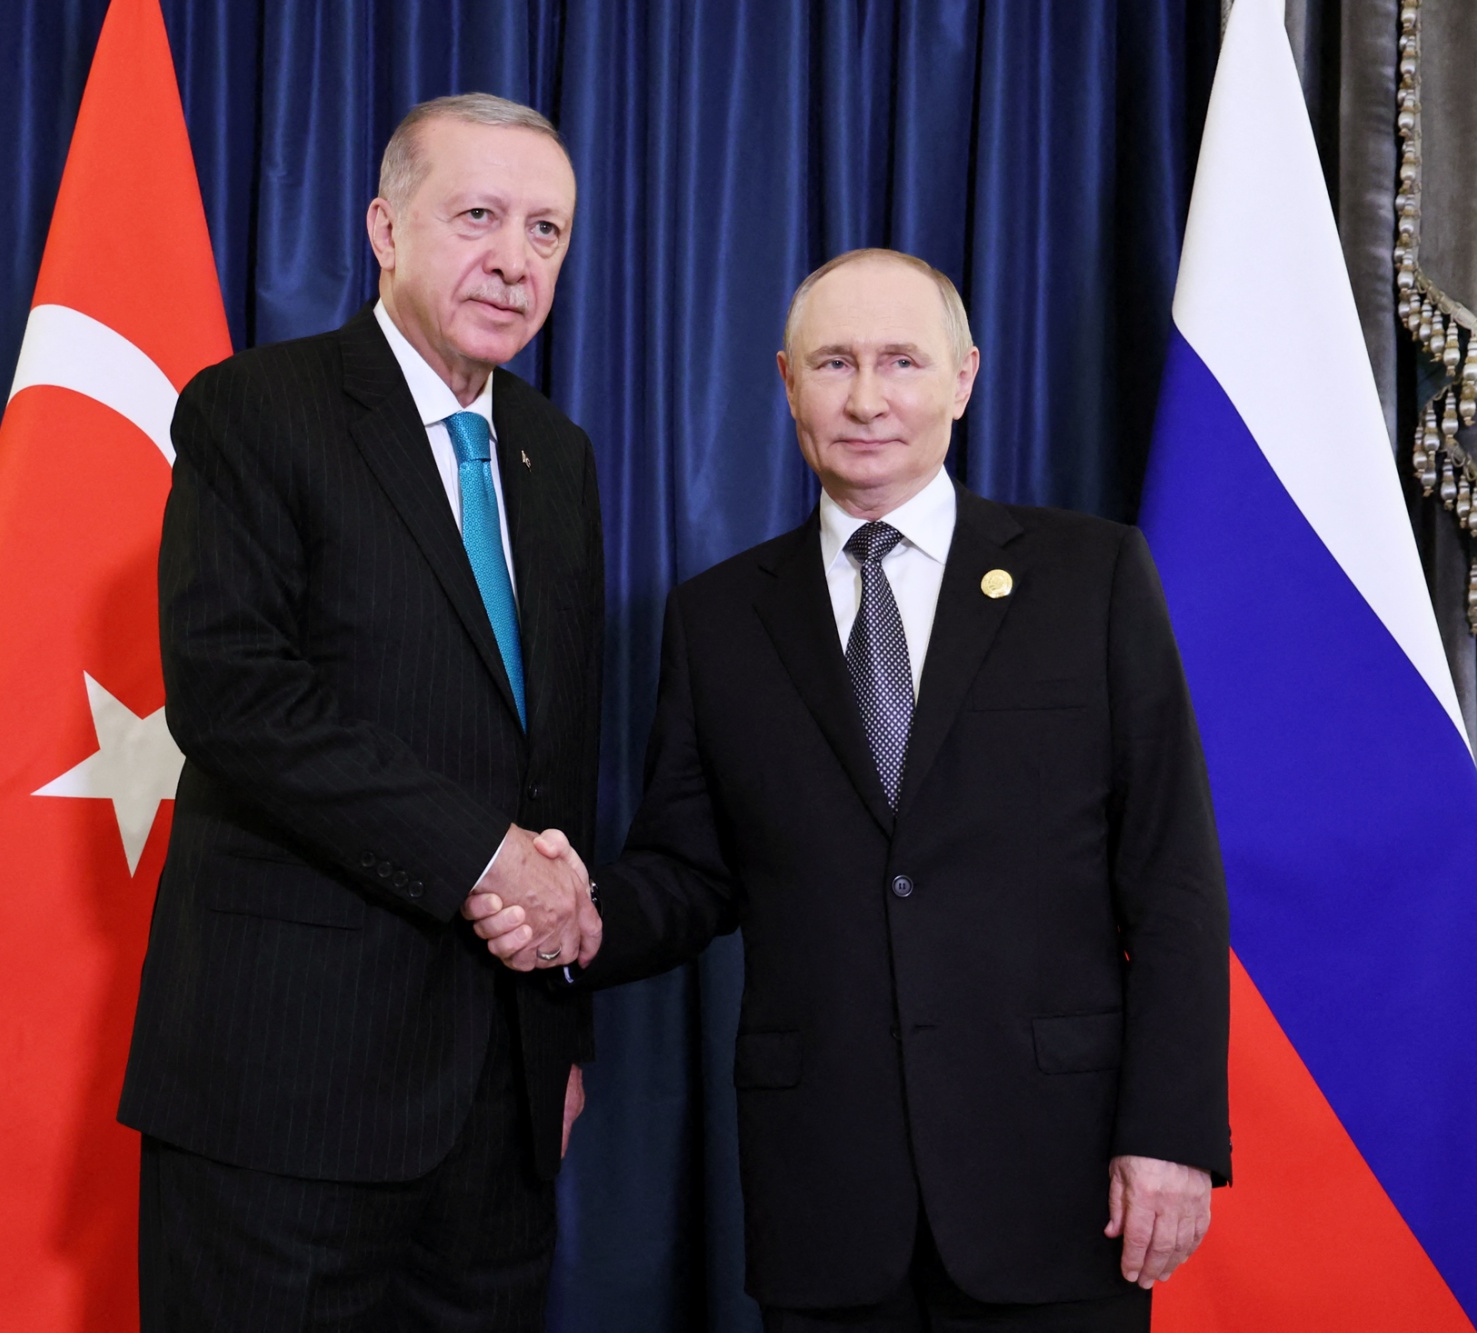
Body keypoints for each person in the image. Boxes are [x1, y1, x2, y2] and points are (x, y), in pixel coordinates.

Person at [471, 248, 1229, 1331]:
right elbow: (690, 871)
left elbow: (1172, 879)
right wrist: (579, 919)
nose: (866, 398)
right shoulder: (718, 617)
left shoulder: (1090, 577)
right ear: (786, 382)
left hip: (1054, 1178)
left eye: (900, 362)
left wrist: (1171, 1132)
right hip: (825, 1190)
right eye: (832, 363)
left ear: (961, 379)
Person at [120, 93, 603, 1332]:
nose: (514, 258)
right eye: (478, 217)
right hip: (287, 1083)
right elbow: (236, 698)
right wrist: (481, 856)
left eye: (545, 230)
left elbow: (550, 762)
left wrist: (554, 1027)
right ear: (385, 229)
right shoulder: (253, 411)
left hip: (497, 1099)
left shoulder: (559, 456)